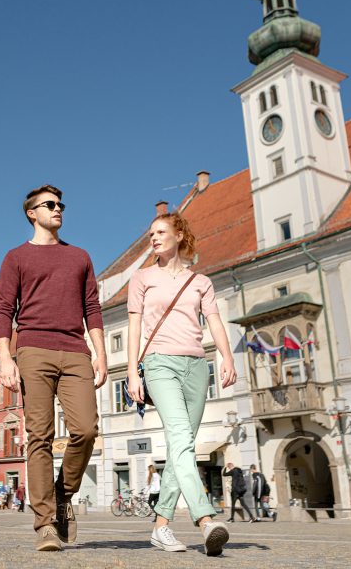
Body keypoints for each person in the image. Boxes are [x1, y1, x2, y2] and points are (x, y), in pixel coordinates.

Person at [0, 184, 107, 552]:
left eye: (61, 204)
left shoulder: (79, 256)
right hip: (32, 349)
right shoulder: (16, 257)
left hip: (75, 350)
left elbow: (92, 307)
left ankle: (62, 494)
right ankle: (44, 523)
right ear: (32, 213)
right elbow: (3, 310)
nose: (58, 209)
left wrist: (100, 353)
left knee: (87, 430)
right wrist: (5, 357)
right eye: (50, 204)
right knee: (39, 436)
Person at [126, 211, 237, 556]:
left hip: (196, 367)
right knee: (179, 437)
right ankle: (205, 520)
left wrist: (226, 356)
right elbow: (133, 328)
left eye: (160, 232)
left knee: (182, 446)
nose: (153, 238)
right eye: (150, 234)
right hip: (159, 364)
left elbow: (215, 321)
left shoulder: (200, 281)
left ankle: (161, 526)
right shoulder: (142, 278)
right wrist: (132, 371)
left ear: (178, 235)